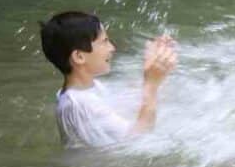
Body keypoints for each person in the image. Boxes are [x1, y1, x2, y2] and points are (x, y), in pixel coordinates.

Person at [40, 11, 177, 147]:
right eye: (104, 42)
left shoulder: (85, 91)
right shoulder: (80, 104)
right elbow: (138, 139)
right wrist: (151, 85)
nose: (112, 48)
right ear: (79, 57)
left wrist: (155, 68)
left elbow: (128, 103)